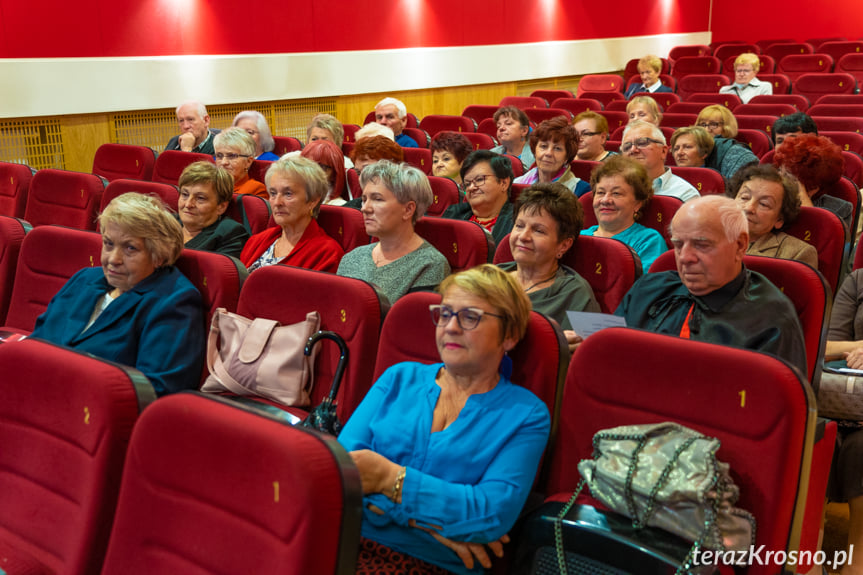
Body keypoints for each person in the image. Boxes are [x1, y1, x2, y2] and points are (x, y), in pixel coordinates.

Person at [339, 264, 550, 575]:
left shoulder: (527, 414)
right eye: (445, 313)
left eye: (470, 317)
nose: (450, 327)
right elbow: (341, 476)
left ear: (510, 335)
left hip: (434, 566)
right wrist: (427, 525)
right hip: (347, 540)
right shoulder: (398, 378)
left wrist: (386, 477)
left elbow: (490, 514)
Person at [30, 193, 205, 396]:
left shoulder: (174, 302)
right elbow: (38, 342)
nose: (114, 259)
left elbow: (155, 391)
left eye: (130, 248)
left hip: (92, 414)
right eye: (108, 244)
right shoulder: (84, 279)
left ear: (159, 255)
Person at [615, 195, 807, 376]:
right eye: (679, 245)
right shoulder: (648, 288)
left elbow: (768, 404)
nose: (685, 258)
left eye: (701, 245)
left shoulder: (771, 318)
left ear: (740, 246)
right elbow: (610, 359)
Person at [498, 183, 600, 352]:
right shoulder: (491, 276)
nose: (523, 236)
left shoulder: (576, 293)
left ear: (563, 245)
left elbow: (587, 362)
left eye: (538, 230)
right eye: (519, 225)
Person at [338, 160, 450, 303]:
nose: (365, 208)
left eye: (377, 199)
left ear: (408, 209)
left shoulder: (430, 265)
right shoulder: (351, 258)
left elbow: (410, 324)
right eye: (364, 199)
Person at [822, 270, 863, 575]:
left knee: (860, 447)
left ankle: (857, 553)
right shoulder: (858, 280)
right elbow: (827, 346)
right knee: (822, 434)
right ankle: (810, 539)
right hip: (849, 400)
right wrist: (857, 347)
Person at [240, 156, 344, 273]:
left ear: (313, 200)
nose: (277, 202)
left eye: (288, 194)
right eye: (273, 193)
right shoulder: (256, 241)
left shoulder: (327, 254)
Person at [580, 156, 667, 272]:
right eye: (600, 192)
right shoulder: (579, 237)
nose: (605, 200)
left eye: (616, 193)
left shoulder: (648, 241)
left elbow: (645, 287)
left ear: (637, 203)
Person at [729, 164, 817, 267]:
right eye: (744, 197)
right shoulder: (709, 233)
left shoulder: (796, 254)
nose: (749, 208)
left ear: (779, 219)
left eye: (764, 204)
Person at [773, 133, 852, 232]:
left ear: (813, 188)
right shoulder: (769, 196)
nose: (779, 177)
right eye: (780, 170)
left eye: (787, 176)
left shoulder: (839, 209)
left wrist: (800, 195)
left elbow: (815, 239)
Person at [177, 161, 249, 258]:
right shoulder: (166, 223)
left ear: (221, 207)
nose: (188, 204)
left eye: (200, 198)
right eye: (185, 195)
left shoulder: (230, 233)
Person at [442, 150, 514, 246]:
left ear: (503, 183)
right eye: (467, 184)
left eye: (479, 180)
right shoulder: (453, 214)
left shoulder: (517, 220)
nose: (471, 188)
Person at [621, 120, 699, 202]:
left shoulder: (685, 194)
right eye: (627, 146)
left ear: (663, 151)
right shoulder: (612, 190)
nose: (633, 150)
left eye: (642, 143)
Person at [514, 116, 590, 196]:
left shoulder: (580, 190)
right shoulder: (517, 184)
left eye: (557, 148)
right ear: (535, 151)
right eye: (543, 146)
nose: (548, 153)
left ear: (567, 156)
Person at [694, 106, 759, 181]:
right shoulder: (691, 148)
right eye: (702, 124)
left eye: (713, 124)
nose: (706, 130)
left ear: (726, 127)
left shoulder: (739, 154)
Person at [214, 127, 267, 200]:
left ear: (248, 162)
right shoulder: (209, 185)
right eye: (219, 156)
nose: (224, 162)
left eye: (231, 156)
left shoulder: (256, 190)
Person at [301, 139, 348, 205]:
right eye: (309, 164)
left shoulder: (338, 206)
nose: (313, 171)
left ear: (334, 175)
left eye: (322, 167)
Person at [491, 106, 535, 171]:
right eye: (498, 126)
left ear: (524, 131)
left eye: (508, 124)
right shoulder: (491, 154)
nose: (501, 128)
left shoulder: (536, 157)